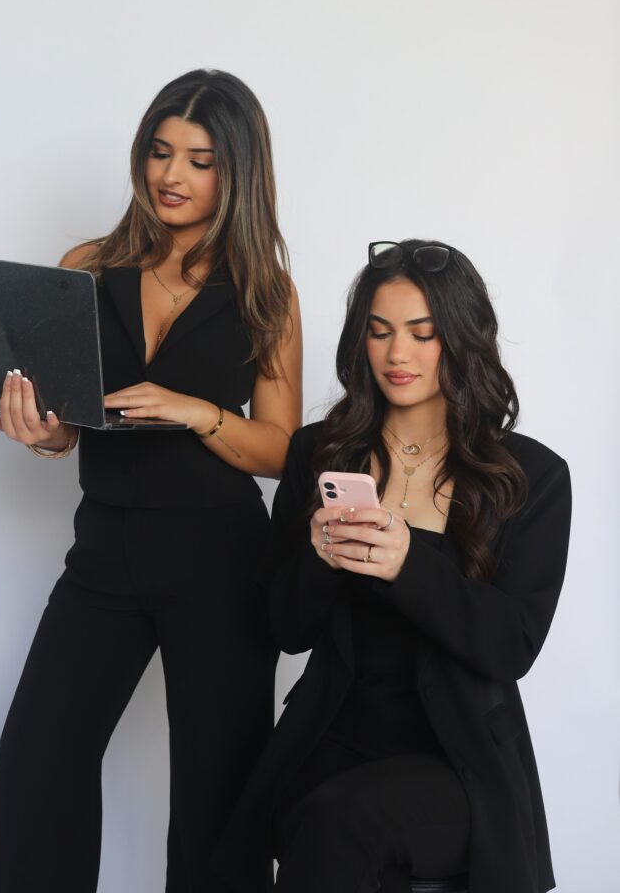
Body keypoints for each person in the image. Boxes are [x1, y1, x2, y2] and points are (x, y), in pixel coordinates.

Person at [0, 69, 302, 893]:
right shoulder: (83, 269)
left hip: (223, 561)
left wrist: (198, 413)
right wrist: (43, 435)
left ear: (237, 171)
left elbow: (280, 449)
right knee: (37, 766)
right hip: (105, 551)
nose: (171, 175)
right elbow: (64, 421)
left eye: (199, 160)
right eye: (160, 152)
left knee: (215, 797)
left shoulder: (264, 291)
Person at [213, 239, 571, 893]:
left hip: (456, 759)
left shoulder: (531, 476)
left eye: (421, 334)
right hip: (333, 736)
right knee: (295, 821)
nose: (396, 354)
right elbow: (285, 629)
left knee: (341, 823)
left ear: (460, 339)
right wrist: (319, 557)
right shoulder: (317, 454)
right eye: (379, 332)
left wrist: (407, 564)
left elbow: (511, 646)